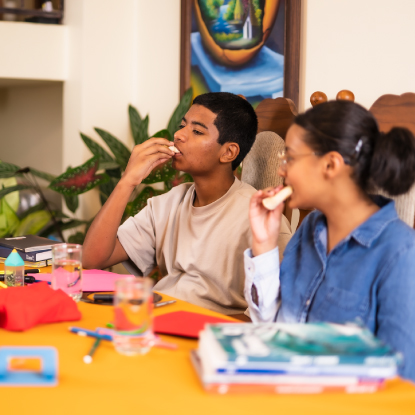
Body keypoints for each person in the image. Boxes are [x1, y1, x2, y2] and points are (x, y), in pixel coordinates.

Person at [244, 100, 415, 381]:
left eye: (290, 158)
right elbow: (274, 330)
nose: (281, 170)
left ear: (331, 164)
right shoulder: (311, 228)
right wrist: (264, 244)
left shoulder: (401, 252)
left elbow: (402, 381)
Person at [83, 92, 292, 316]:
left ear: (228, 152)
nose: (179, 135)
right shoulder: (168, 204)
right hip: (156, 317)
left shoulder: (261, 220)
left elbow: (273, 314)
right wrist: (127, 181)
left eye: (197, 131)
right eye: (183, 125)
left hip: (206, 331)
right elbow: (92, 259)